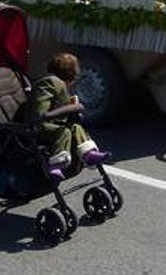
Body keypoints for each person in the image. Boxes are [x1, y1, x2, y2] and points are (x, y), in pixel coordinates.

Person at [30, 53, 110, 181]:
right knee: (64, 132)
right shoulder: (49, 83)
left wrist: (70, 109)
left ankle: (89, 154)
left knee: (76, 127)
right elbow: (41, 114)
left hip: (53, 123)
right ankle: (55, 165)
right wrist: (70, 108)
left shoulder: (59, 85)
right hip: (40, 127)